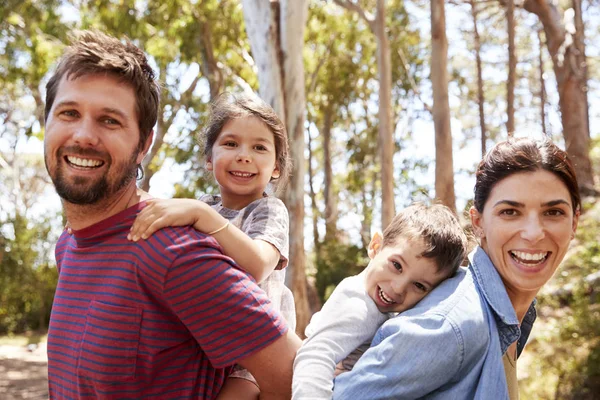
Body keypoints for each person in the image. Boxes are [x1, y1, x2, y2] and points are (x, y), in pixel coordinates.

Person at [43, 30, 301, 399]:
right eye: (69, 113)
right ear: (47, 122)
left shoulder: (172, 248)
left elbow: (293, 378)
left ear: (143, 144)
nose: (84, 135)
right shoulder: (67, 244)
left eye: (110, 121)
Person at [333, 137, 580, 399]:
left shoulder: (506, 318)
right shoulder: (454, 325)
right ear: (478, 223)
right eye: (510, 212)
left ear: (574, 222)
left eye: (553, 213)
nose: (533, 233)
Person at [128, 92, 296, 399]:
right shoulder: (204, 205)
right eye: (231, 144)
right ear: (209, 159)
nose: (244, 155)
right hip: (206, 348)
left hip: (251, 359)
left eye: (259, 147)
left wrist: (200, 215)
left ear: (275, 167)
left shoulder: (268, 210)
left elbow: (258, 265)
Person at [292, 203, 467, 399]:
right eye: (397, 265)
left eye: (419, 286)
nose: (399, 287)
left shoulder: (375, 305)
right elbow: (316, 356)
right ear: (376, 247)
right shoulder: (358, 305)